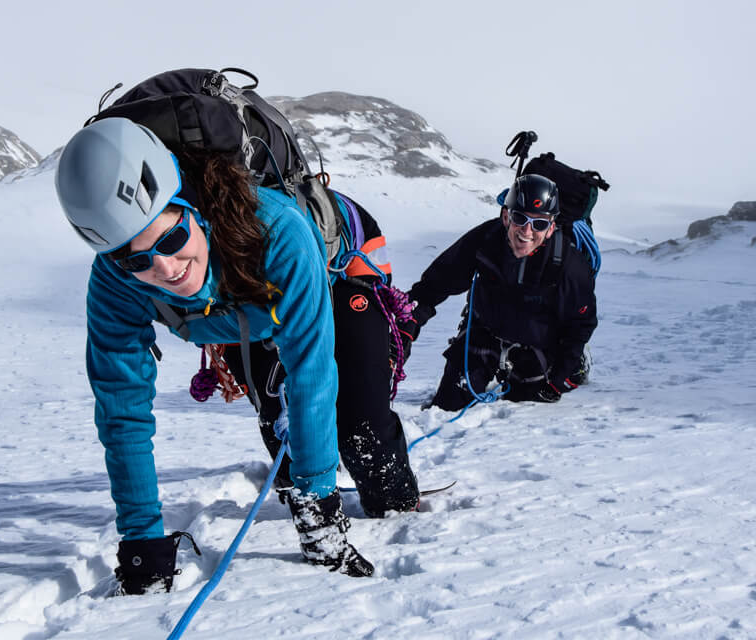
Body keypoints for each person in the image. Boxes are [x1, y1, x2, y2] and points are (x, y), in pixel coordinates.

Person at [55, 117, 420, 593]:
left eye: (169, 239)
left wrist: (322, 513)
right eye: (137, 258)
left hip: (331, 280)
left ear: (191, 206)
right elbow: (122, 410)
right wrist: (141, 542)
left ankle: (397, 504)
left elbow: (310, 369)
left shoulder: (276, 230)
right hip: (236, 312)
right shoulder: (114, 281)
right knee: (285, 452)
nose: (164, 268)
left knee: (359, 428)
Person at [399, 174, 597, 410]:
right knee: (449, 402)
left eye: (540, 224)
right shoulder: (486, 240)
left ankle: (574, 368)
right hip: (485, 333)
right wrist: (407, 326)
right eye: (520, 218)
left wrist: (557, 380)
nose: (527, 231)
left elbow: (580, 324)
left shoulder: (569, 265)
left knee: (525, 406)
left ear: (551, 227)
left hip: (539, 344)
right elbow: (436, 284)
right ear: (506, 216)